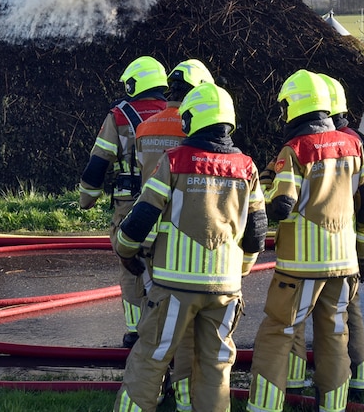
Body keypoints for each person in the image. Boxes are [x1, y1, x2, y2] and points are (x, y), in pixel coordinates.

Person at [113, 82, 267, 412]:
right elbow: (256, 233)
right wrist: (240, 269)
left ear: (192, 120)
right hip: (225, 290)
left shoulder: (175, 161)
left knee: (150, 358)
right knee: (214, 369)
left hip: (174, 287)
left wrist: (125, 252)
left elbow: (141, 218)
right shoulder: (247, 168)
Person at [247, 70, 364, 412]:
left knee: (277, 334)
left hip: (299, 269)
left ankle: (264, 407)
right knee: (335, 338)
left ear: (296, 105)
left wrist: (265, 187)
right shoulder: (353, 146)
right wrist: (363, 255)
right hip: (344, 266)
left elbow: (282, 205)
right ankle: (333, 408)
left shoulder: (295, 149)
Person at [130, 58, 214, 405]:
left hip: (147, 228)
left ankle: (156, 390)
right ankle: (180, 395)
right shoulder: (193, 128)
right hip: (184, 238)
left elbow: (139, 177)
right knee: (186, 331)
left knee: (156, 324)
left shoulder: (145, 128)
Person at [79, 55, 168, 348]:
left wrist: (87, 198)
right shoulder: (177, 114)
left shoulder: (119, 116)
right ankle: (165, 327)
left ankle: (134, 331)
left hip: (129, 203)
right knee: (165, 260)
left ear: (134, 83)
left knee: (130, 263)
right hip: (168, 202)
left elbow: (99, 160)